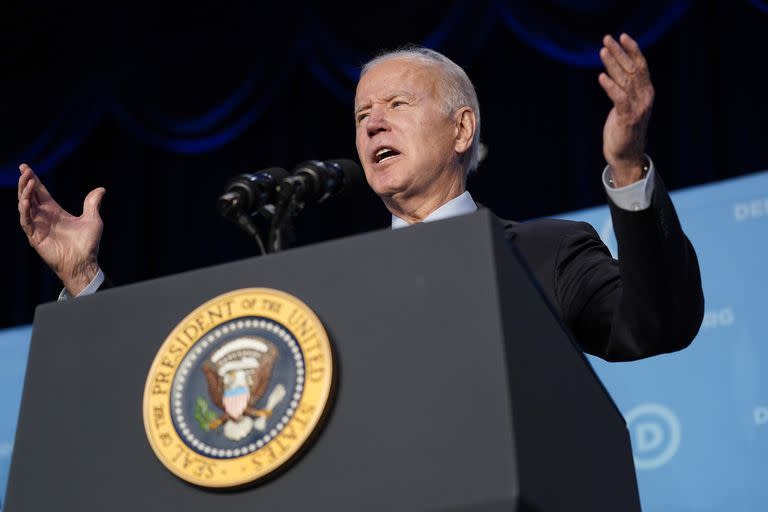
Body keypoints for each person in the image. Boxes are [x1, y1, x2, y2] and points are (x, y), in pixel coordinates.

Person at [17, 34, 703, 361]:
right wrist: (82, 280)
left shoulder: (550, 251)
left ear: (461, 128)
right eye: (361, 114)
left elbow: (655, 327)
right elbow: (189, 374)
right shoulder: (325, 287)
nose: (371, 122)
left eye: (398, 104)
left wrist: (628, 165)